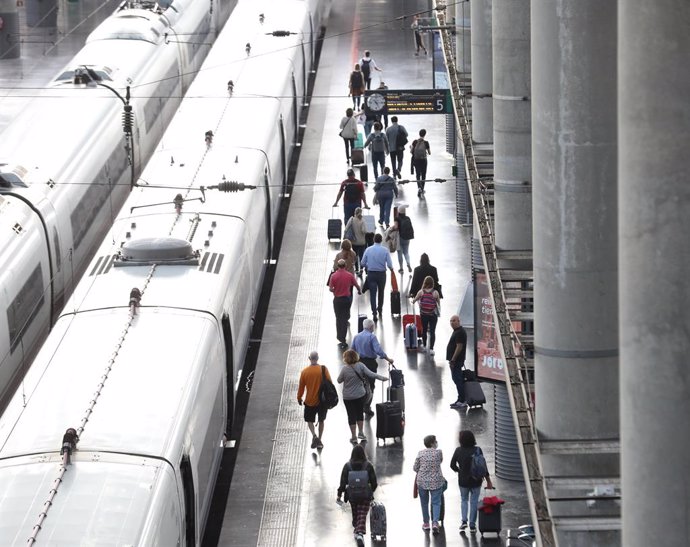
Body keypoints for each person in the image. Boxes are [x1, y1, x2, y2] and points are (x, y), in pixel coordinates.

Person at [337, 349, 388, 444]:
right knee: (359, 413)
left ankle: (353, 437)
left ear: (346, 358)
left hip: (348, 397)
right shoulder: (360, 366)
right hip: (360, 395)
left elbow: (339, 380)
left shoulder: (344, 369)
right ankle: (361, 432)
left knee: (351, 415)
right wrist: (382, 378)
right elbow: (371, 374)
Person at [450, 430, 494, 534]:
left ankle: (464, 521)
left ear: (461, 439)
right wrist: (488, 481)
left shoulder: (458, 450)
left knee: (464, 500)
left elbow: (452, 465)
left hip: (463, 480)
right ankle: (472, 525)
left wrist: (459, 471)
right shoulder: (477, 449)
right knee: (474, 501)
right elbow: (483, 466)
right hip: (476, 480)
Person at [337, 444, 379, 546]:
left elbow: (343, 483)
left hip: (352, 495)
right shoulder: (368, 465)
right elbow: (374, 483)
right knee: (362, 514)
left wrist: (339, 495)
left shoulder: (347, 466)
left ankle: (358, 531)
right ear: (363, 454)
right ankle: (359, 533)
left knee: (356, 514)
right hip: (365, 495)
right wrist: (370, 491)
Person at [351, 319, 394, 416]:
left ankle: (359, 405)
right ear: (371, 327)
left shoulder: (356, 336)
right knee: (370, 386)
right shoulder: (372, 337)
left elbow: (351, 350)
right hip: (370, 364)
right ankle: (366, 406)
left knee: (360, 384)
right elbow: (378, 350)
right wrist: (388, 359)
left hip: (359, 363)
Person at [297, 351, 333, 449]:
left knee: (309, 420)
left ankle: (314, 435)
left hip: (310, 401)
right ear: (318, 358)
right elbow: (330, 383)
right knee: (321, 420)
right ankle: (320, 440)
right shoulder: (324, 369)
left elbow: (301, 387)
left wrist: (299, 397)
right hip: (322, 401)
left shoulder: (305, 372)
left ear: (309, 358)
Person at [414, 435, 446, 534]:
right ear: (432, 443)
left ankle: (426, 524)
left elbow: (415, 468)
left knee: (424, 503)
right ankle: (435, 523)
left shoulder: (420, 453)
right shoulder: (438, 453)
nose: (437, 442)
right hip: (436, 481)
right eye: (435, 441)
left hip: (422, 482)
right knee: (436, 502)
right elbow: (440, 462)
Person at [360, 233, 395, 321]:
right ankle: (380, 309)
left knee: (372, 294)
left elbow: (362, 263)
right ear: (381, 240)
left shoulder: (368, 250)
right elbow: (390, 264)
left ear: (373, 240)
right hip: (381, 274)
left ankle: (374, 312)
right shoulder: (385, 250)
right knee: (381, 292)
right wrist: (391, 270)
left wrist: (368, 264)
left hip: (371, 274)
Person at [330, 259, 361, 348]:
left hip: (337, 300)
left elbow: (331, 288)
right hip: (346, 299)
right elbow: (356, 285)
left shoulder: (333, 276)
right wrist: (359, 291)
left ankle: (340, 336)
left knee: (338, 318)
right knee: (344, 319)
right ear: (345, 266)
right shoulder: (349, 275)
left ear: (338, 266)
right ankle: (343, 337)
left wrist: (335, 290)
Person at [412, 276, 441, 356]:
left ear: (424, 283)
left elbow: (414, 300)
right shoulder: (435, 292)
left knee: (424, 330)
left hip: (424, 314)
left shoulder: (421, 292)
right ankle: (431, 349)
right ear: (432, 283)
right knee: (432, 331)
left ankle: (424, 346)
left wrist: (414, 301)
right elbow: (438, 304)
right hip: (433, 315)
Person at [447, 315, 468, 409]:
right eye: (451, 321)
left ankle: (462, 400)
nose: (452, 323)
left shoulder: (460, 332)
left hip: (456, 361)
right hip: (455, 361)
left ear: (459, 321)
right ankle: (460, 399)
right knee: (456, 379)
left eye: (454, 321)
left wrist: (453, 359)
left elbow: (459, 347)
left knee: (458, 380)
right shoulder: (457, 331)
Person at [410, 129, 431, 197]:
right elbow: (429, 153)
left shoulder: (415, 142)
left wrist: (411, 147)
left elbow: (411, 151)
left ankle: (419, 187)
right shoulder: (426, 143)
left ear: (419, 134)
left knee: (418, 174)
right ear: (424, 134)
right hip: (423, 160)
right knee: (423, 175)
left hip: (416, 160)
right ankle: (422, 188)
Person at [395, 206, 414, 273]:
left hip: (400, 238)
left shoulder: (397, 219)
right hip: (407, 238)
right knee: (406, 252)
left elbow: (396, 227)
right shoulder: (408, 218)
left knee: (399, 253)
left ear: (399, 211)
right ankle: (408, 264)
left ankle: (401, 268)